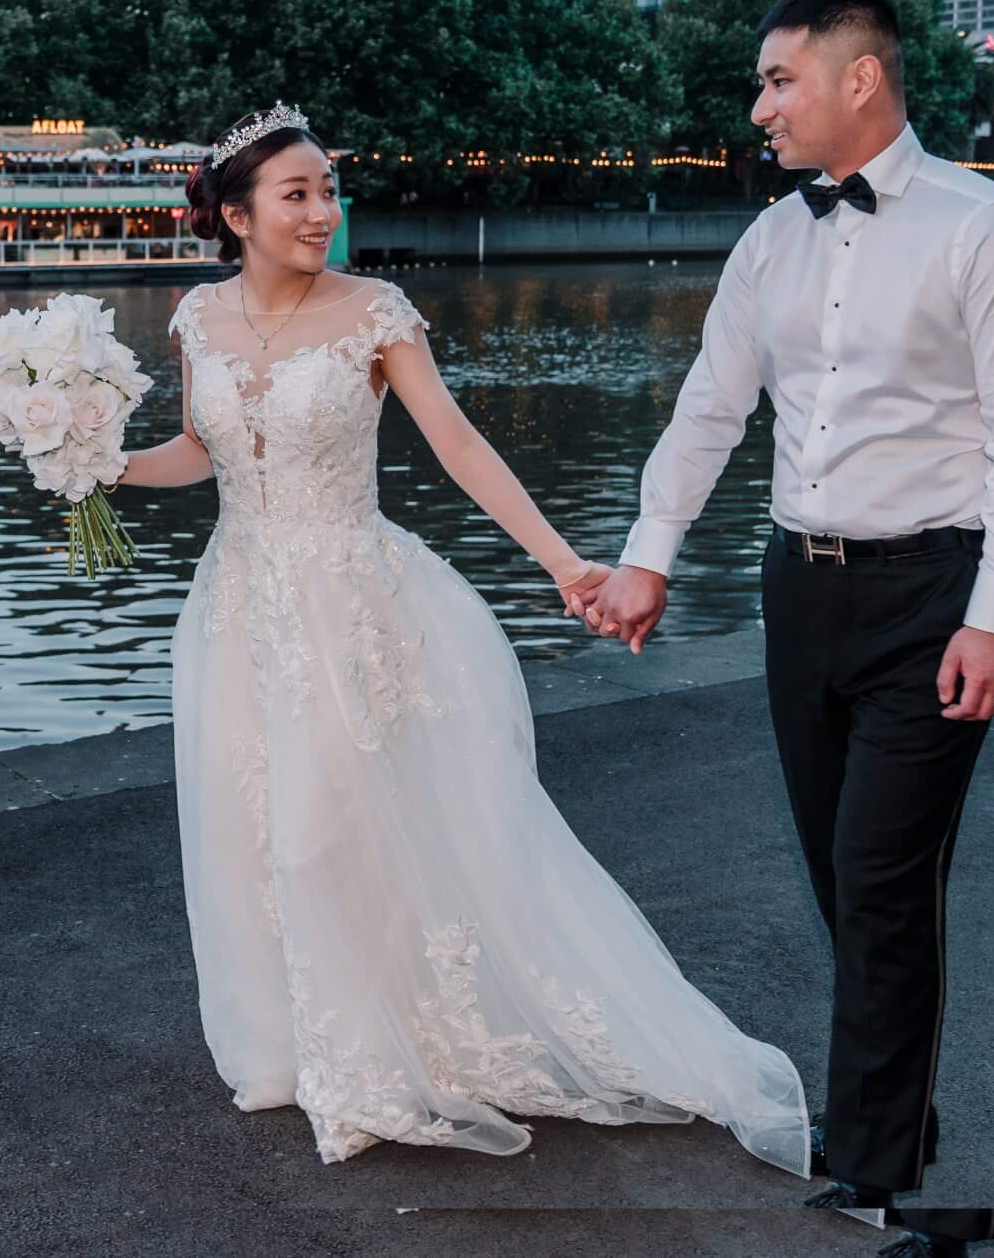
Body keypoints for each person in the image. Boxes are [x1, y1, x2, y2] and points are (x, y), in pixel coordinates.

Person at [112, 103, 810, 1176]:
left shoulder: (374, 312)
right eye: (296, 195)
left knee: (323, 832)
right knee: (254, 829)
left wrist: (563, 562)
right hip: (237, 609)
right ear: (236, 214)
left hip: (352, 605)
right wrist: (95, 462)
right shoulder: (196, 319)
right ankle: (303, 1044)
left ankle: (379, 1058)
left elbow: (456, 444)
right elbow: (198, 454)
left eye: (328, 191)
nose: (322, 212)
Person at [573, 0, 994, 1255]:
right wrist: (647, 559)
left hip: (932, 597)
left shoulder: (987, 229)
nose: (758, 109)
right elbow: (706, 410)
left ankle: (882, 1177)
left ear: (861, 79)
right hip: (797, 587)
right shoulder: (769, 241)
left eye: (778, 80)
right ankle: (891, 1126)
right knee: (839, 878)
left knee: (885, 880)